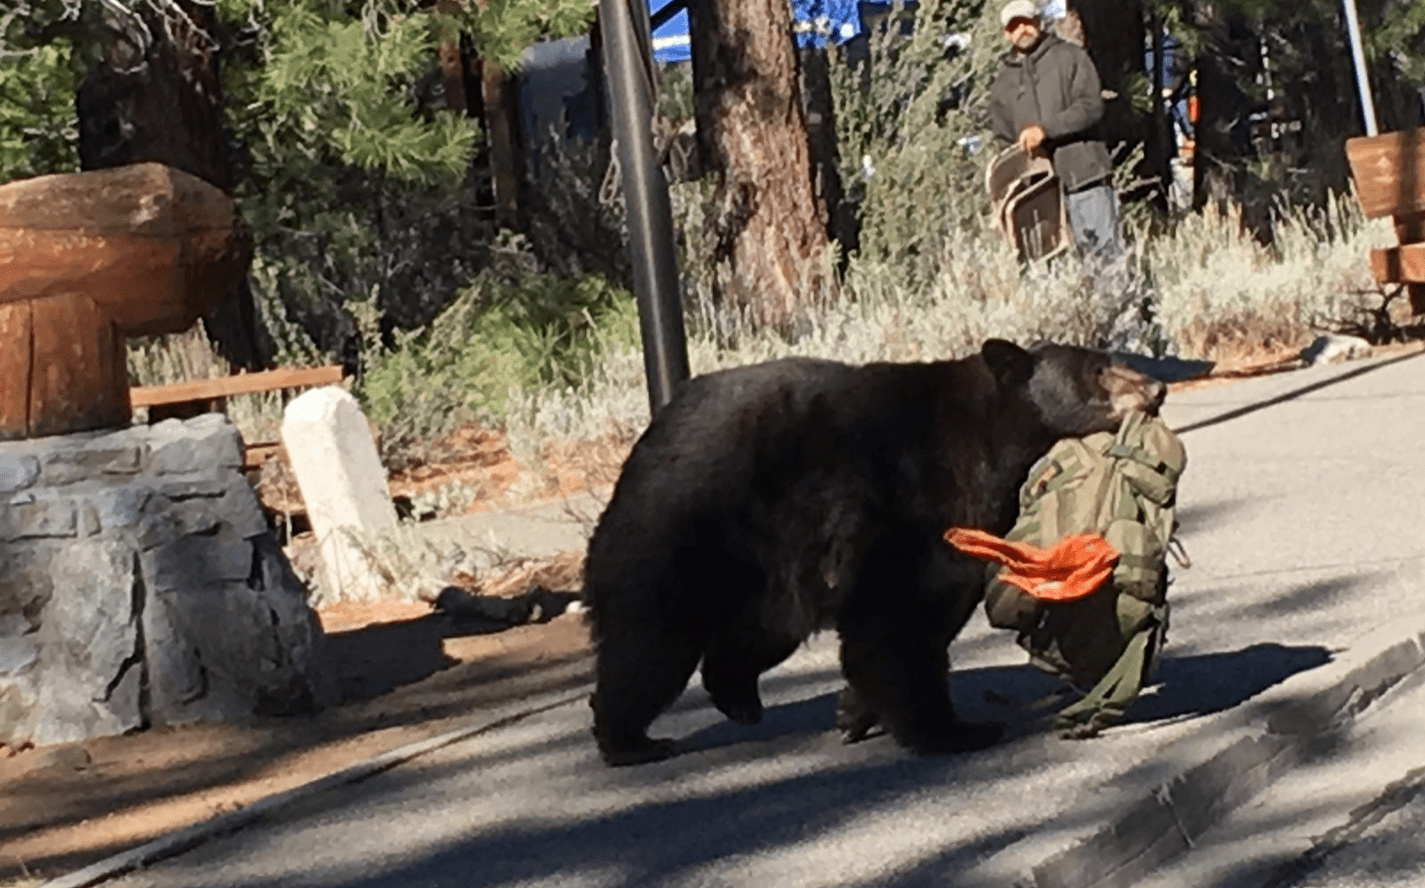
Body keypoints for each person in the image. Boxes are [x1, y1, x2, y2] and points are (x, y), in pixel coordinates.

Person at [988, 0, 1122, 263]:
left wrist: (1045, 130)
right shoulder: (1002, 84)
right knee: (1048, 269)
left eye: (1027, 22)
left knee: (1104, 259)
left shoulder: (1069, 56)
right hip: (1037, 194)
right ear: (1006, 34)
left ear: (1039, 22)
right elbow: (1004, 140)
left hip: (1084, 176)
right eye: (1014, 26)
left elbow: (1091, 106)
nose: (1022, 30)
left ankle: (1119, 305)